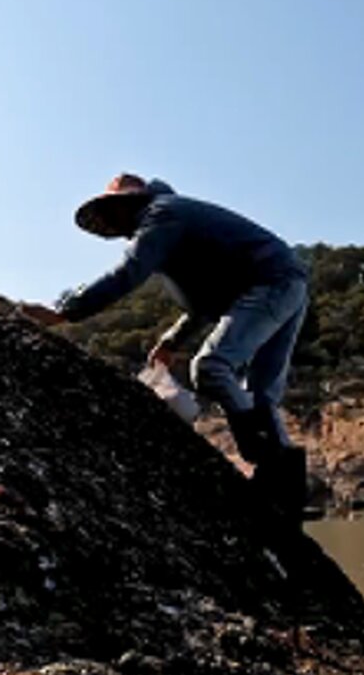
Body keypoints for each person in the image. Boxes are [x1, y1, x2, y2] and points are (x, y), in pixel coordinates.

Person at [22, 173, 309, 521]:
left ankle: (269, 462)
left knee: (211, 367)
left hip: (272, 281)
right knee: (262, 393)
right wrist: (171, 341)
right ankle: (285, 490)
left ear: (131, 203)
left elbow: (128, 273)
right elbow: (204, 304)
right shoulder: (180, 230)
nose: (112, 223)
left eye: (113, 211)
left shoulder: (161, 214)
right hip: (287, 281)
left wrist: (66, 312)